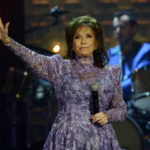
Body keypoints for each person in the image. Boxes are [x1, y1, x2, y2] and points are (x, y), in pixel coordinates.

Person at [0, 15, 126, 150]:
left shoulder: (111, 73)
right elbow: (32, 57)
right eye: (77, 37)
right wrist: (8, 42)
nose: (83, 41)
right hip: (67, 138)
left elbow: (121, 110)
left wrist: (107, 115)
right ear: (71, 44)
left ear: (96, 43)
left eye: (88, 36)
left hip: (100, 139)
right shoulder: (59, 68)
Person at [109, 10, 150, 101]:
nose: (118, 31)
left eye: (122, 27)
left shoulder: (145, 50)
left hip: (137, 106)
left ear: (134, 29)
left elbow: (137, 81)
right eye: (115, 28)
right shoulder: (109, 54)